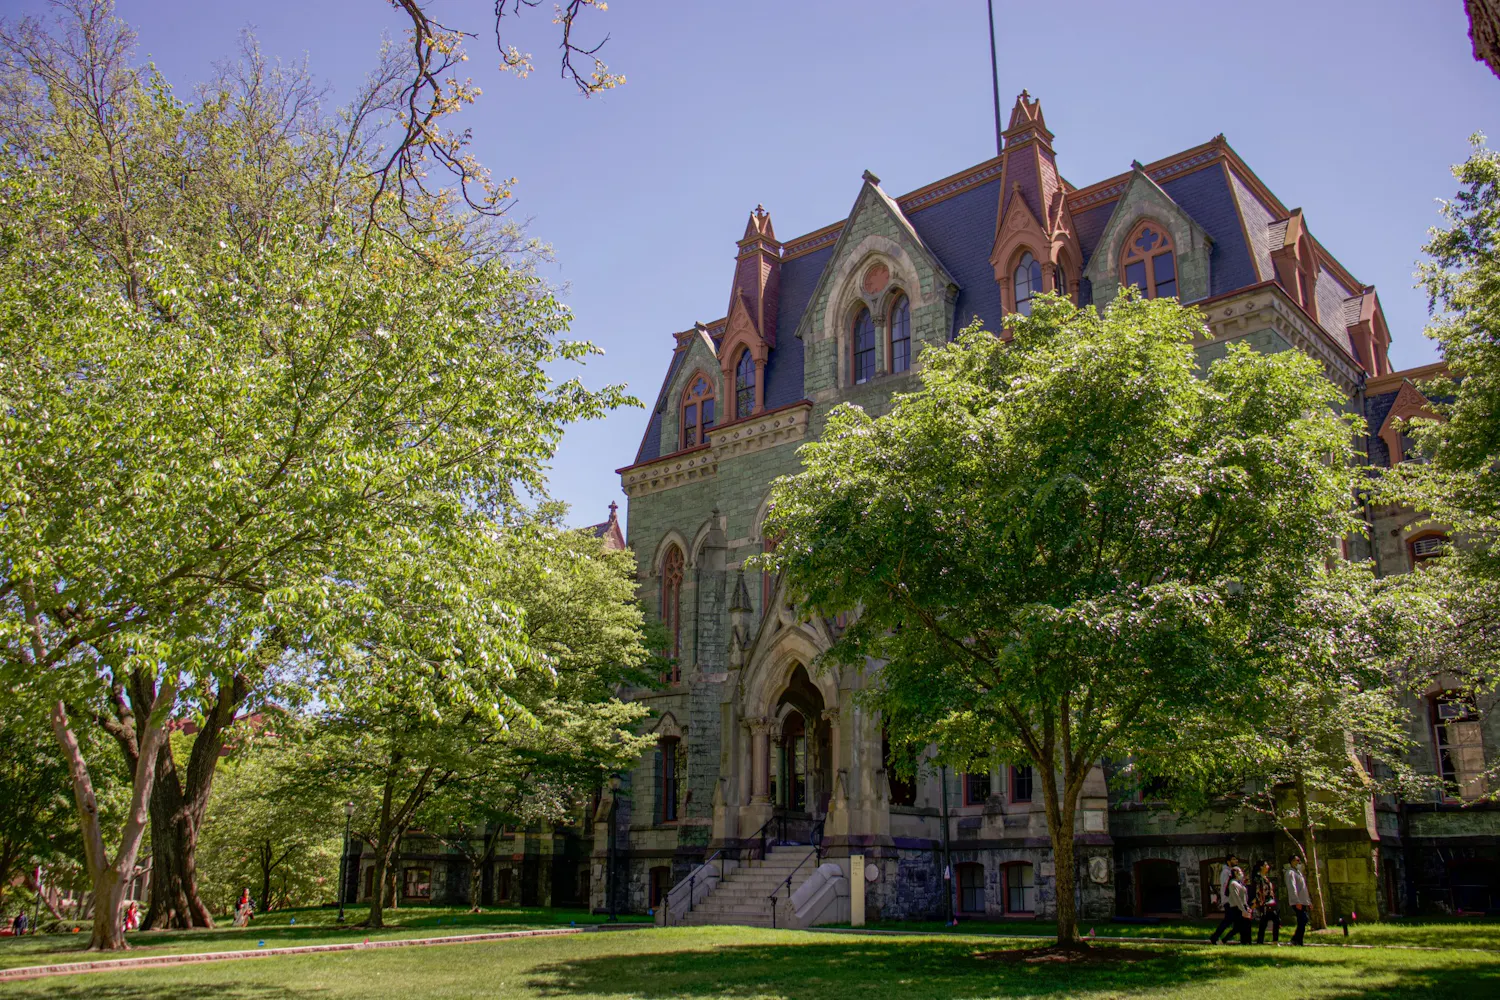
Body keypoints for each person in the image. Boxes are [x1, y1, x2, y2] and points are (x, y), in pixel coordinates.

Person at [1207, 854, 1242, 945]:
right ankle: (1217, 938)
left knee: (1235, 922)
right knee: (1229, 920)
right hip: (1229, 901)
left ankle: (1219, 938)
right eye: (1234, 859)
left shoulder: (1233, 871)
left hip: (1234, 900)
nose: (1236, 861)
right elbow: (1226, 886)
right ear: (1228, 861)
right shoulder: (1225, 872)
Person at [1251, 860, 1281, 944]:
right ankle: (1274, 941)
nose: (1268, 866)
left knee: (1265, 922)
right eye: (1266, 865)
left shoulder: (1265, 877)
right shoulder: (1258, 877)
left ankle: (1261, 941)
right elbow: (1257, 890)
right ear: (1261, 867)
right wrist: (1260, 902)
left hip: (1269, 902)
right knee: (1274, 920)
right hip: (1264, 903)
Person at [1285, 858, 1311, 946]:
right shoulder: (1290, 873)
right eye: (1296, 860)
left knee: (1303, 920)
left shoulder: (1298, 873)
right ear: (1291, 861)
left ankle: (1297, 940)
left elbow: (1304, 888)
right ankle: (1296, 940)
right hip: (1297, 901)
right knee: (1303, 919)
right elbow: (1292, 888)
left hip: (1303, 901)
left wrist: (1308, 902)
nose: (1298, 862)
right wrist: (1296, 901)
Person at [1225, 867, 1252, 944]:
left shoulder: (1239, 883)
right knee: (1238, 927)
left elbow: (1243, 897)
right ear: (1235, 873)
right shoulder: (1233, 884)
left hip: (1243, 906)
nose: (1242, 873)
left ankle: (1246, 942)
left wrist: (1247, 907)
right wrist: (1243, 910)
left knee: (1246, 926)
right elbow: (1237, 898)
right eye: (1240, 872)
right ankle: (1224, 940)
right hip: (1237, 908)